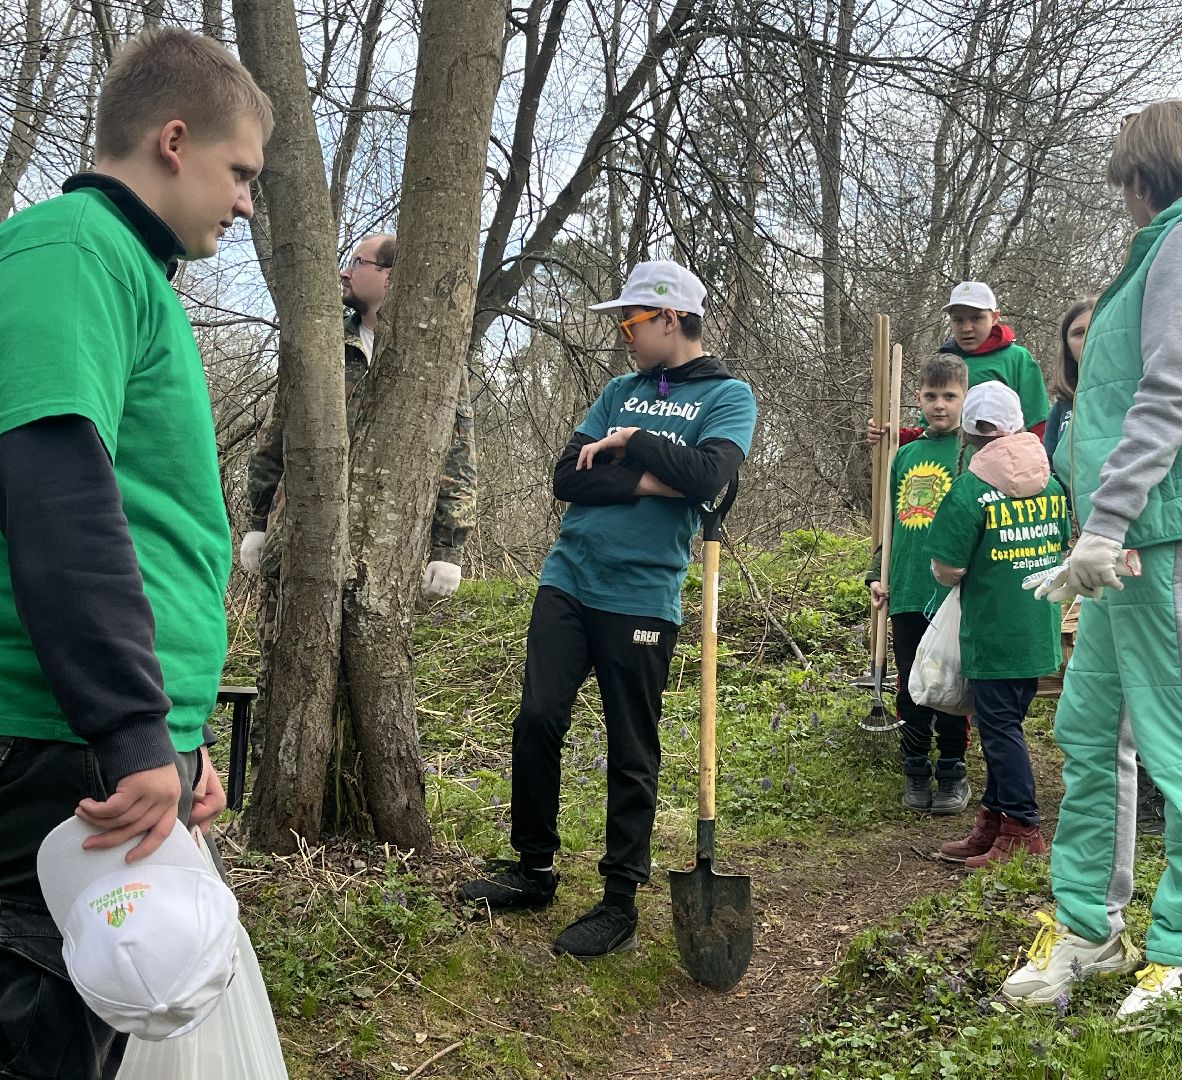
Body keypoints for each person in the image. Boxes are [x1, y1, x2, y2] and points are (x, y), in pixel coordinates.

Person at [0, 28, 271, 1078]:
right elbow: (60, 495)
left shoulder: (131, 274)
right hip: (51, 743)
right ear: (173, 140)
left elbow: (153, 525)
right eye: (238, 171)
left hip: (106, 742)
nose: (246, 201)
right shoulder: (71, 250)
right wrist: (127, 729)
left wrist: (177, 734)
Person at [1002, 101, 1182, 1019]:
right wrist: (1103, 521)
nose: (1122, 200)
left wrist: (1109, 520)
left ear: (1145, 175)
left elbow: (1173, 390)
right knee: (1091, 729)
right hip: (1138, 531)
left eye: (1124, 182)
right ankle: (1092, 926)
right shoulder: (1178, 242)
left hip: (1170, 524)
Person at [457, 261, 757, 958]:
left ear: (671, 319)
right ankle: (533, 867)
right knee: (537, 719)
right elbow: (567, 478)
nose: (622, 335)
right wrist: (657, 478)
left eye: (631, 321)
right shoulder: (618, 389)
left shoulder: (729, 395)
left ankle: (619, 898)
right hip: (568, 577)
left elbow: (712, 478)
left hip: (642, 592)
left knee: (631, 746)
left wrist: (627, 444)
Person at [239, 232, 478, 761]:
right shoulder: (321, 341)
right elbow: (276, 432)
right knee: (283, 658)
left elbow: (456, 452)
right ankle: (272, 782)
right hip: (298, 532)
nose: (345, 273)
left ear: (391, 277)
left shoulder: (431, 355)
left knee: (370, 666)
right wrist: (256, 519)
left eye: (358, 263)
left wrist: (448, 546)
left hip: (385, 541)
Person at [928, 382, 1069, 868]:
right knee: (1003, 724)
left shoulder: (970, 491)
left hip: (993, 631)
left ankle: (1024, 827)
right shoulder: (1051, 485)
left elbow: (949, 567)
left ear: (970, 432)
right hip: (1037, 629)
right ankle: (994, 819)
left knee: (999, 730)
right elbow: (1060, 545)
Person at [864, 355, 971, 813]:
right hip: (907, 587)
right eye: (931, 396)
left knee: (949, 682)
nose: (940, 405)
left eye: (950, 396)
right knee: (911, 683)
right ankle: (915, 767)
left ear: (966, 397)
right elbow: (886, 523)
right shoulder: (904, 456)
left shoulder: (972, 452)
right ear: (918, 398)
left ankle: (951, 769)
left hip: (953, 593)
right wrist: (876, 574)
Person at [872, 281, 1049, 447]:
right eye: (958, 320)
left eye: (976, 318)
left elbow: (1039, 423)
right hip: (948, 467)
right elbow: (931, 431)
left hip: (1000, 465)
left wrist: (1036, 465)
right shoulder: (945, 363)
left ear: (995, 317)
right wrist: (895, 436)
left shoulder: (1017, 359)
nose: (966, 328)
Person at [1042, 297, 1095, 468]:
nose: (1088, 338)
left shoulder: (1137, 393)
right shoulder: (1061, 409)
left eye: (1096, 328)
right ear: (1067, 347)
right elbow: (1050, 468)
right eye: (1079, 333)